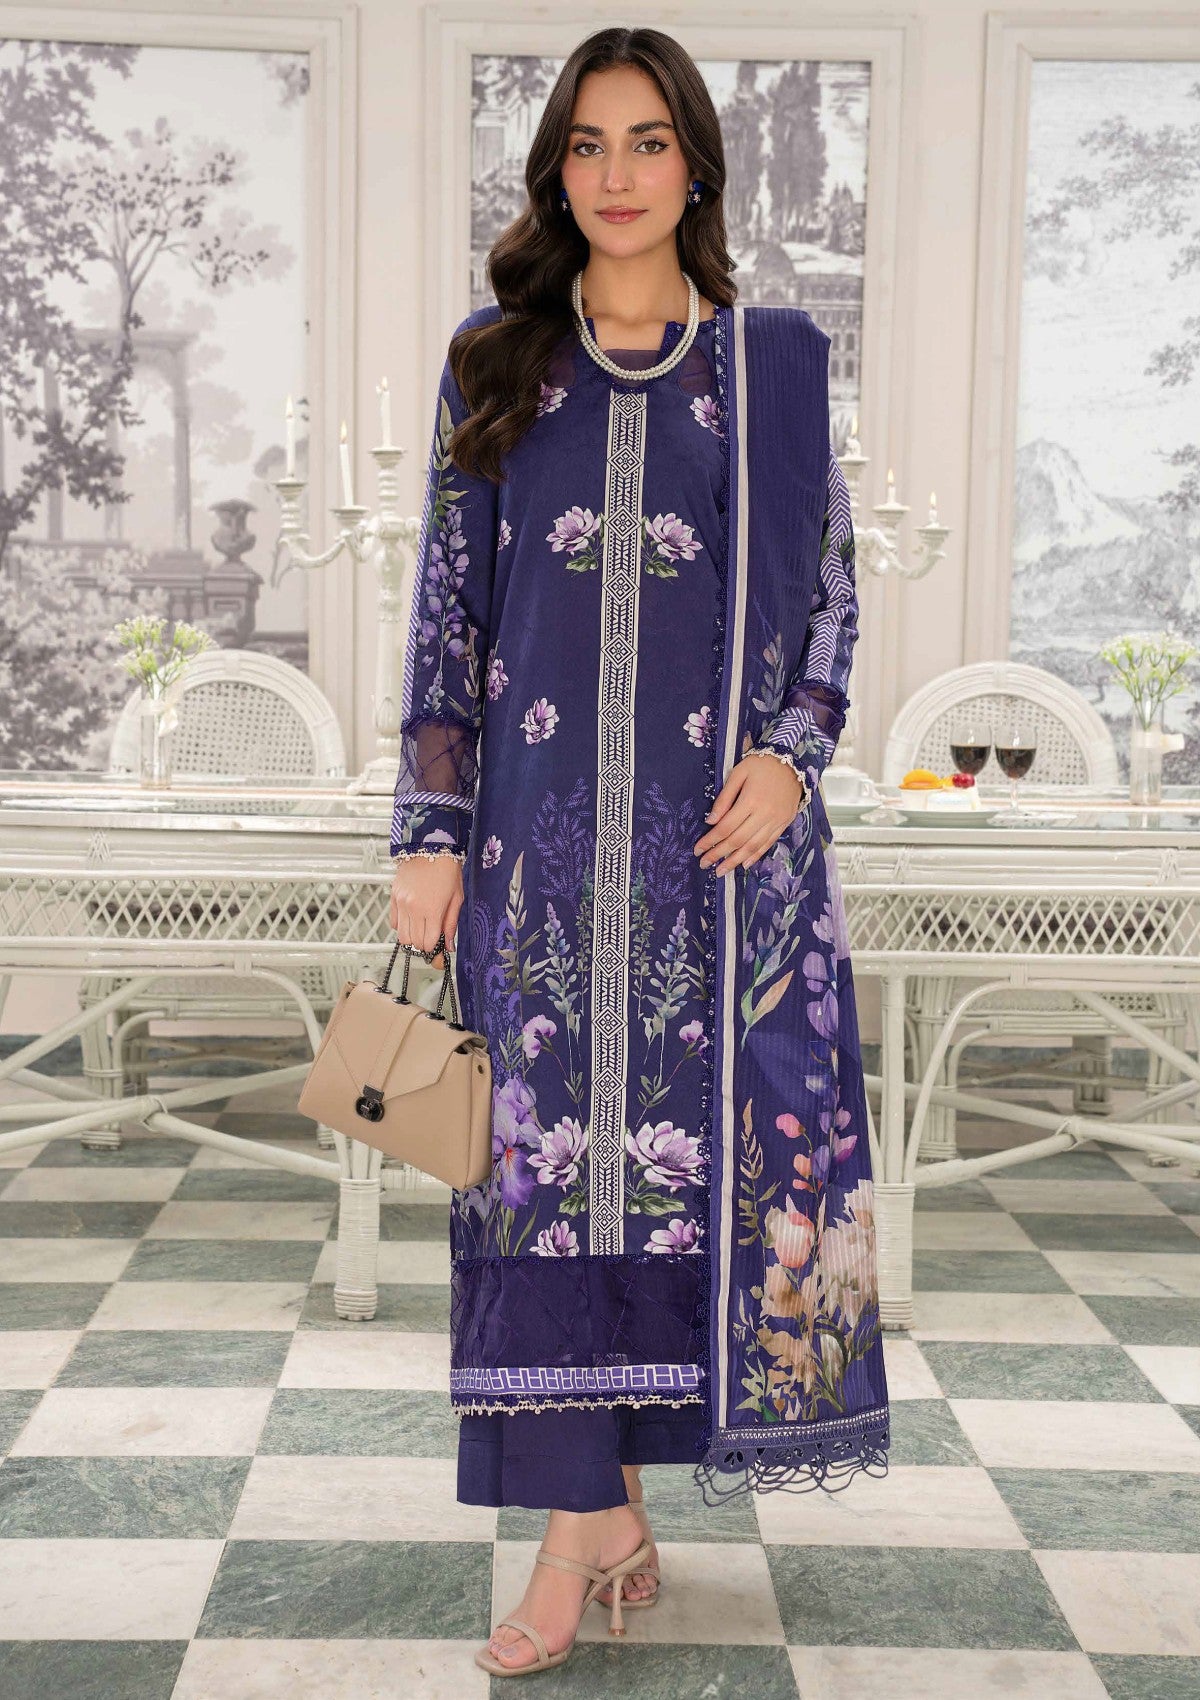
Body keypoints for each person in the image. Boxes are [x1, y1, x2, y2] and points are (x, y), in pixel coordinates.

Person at [389, 24, 891, 1678]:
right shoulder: (496, 363)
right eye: (588, 145)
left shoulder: (768, 373)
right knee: (541, 1192)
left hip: (718, 868)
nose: (617, 176)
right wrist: (431, 832)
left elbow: (831, 600)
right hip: (533, 871)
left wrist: (791, 759)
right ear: (555, 172)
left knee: (678, 1186)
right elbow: (449, 617)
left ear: (696, 166)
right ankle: (585, 1517)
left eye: (649, 141)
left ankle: (580, 1533)